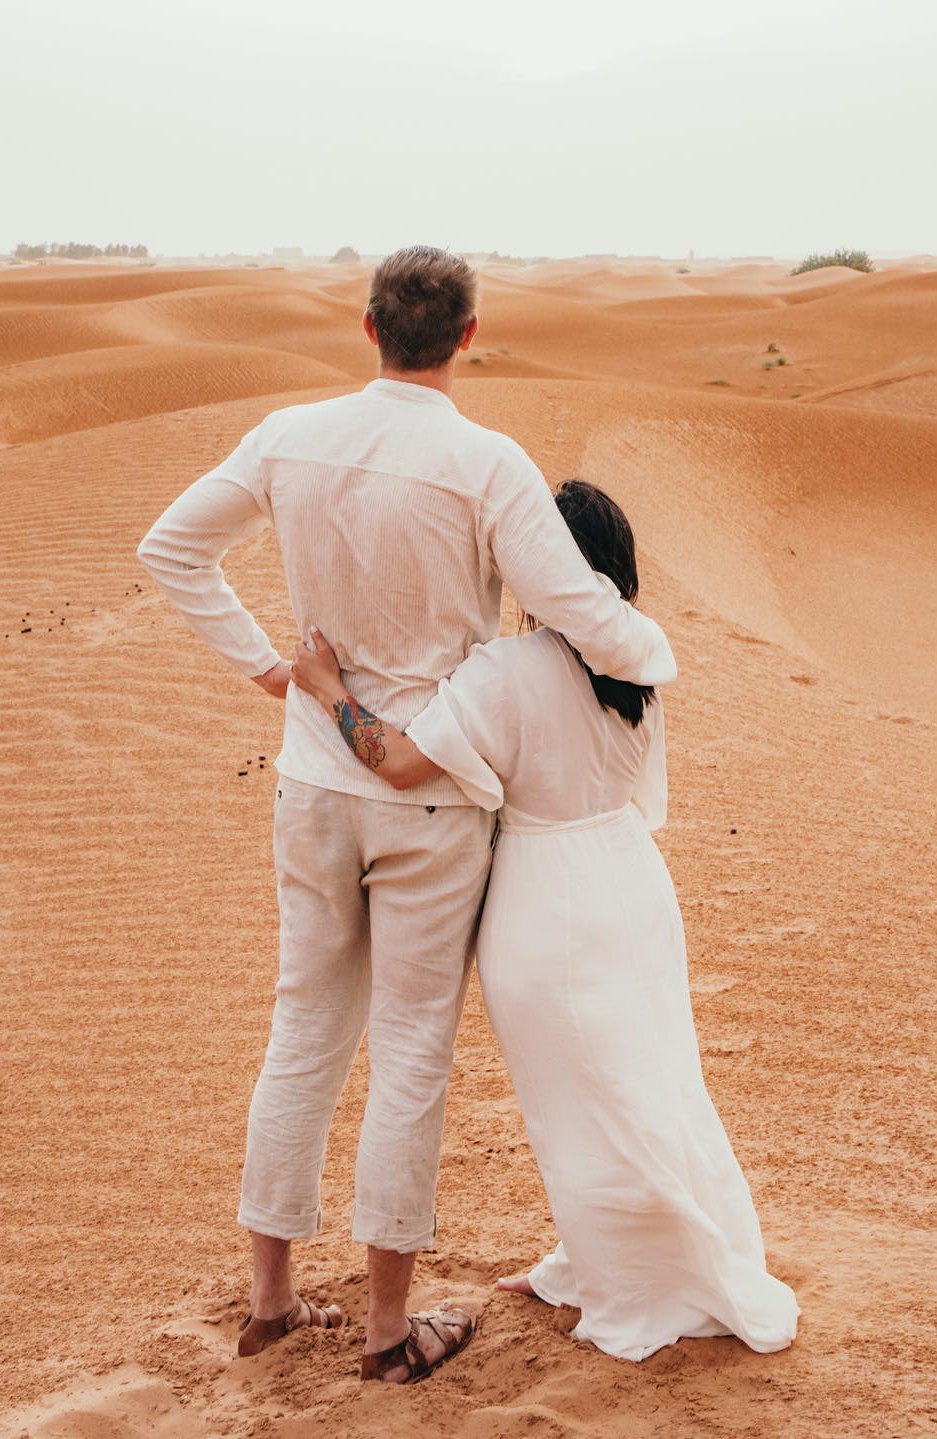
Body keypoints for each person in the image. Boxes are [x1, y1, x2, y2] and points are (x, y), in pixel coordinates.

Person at [136, 248, 676, 1383]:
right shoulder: (486, 462)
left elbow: (171, 546)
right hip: (428, 793)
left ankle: (273, 1299)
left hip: (312, 785)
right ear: (468, 335)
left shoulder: (288, 433)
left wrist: (272, 674)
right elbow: (578, 606)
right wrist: (651, 653)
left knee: (301, 1033)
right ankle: (388, 1329)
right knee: (413, 1052)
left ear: (367, 324)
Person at [290, 479, 800, 1364]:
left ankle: (634, 1280)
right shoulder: (638, 655)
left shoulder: (504, 670)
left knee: (579, 1102)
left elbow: (403, 762)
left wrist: (330, 689)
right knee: (647, 1083)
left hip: (547, 897)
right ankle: (604, 1256)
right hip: (633, 884)